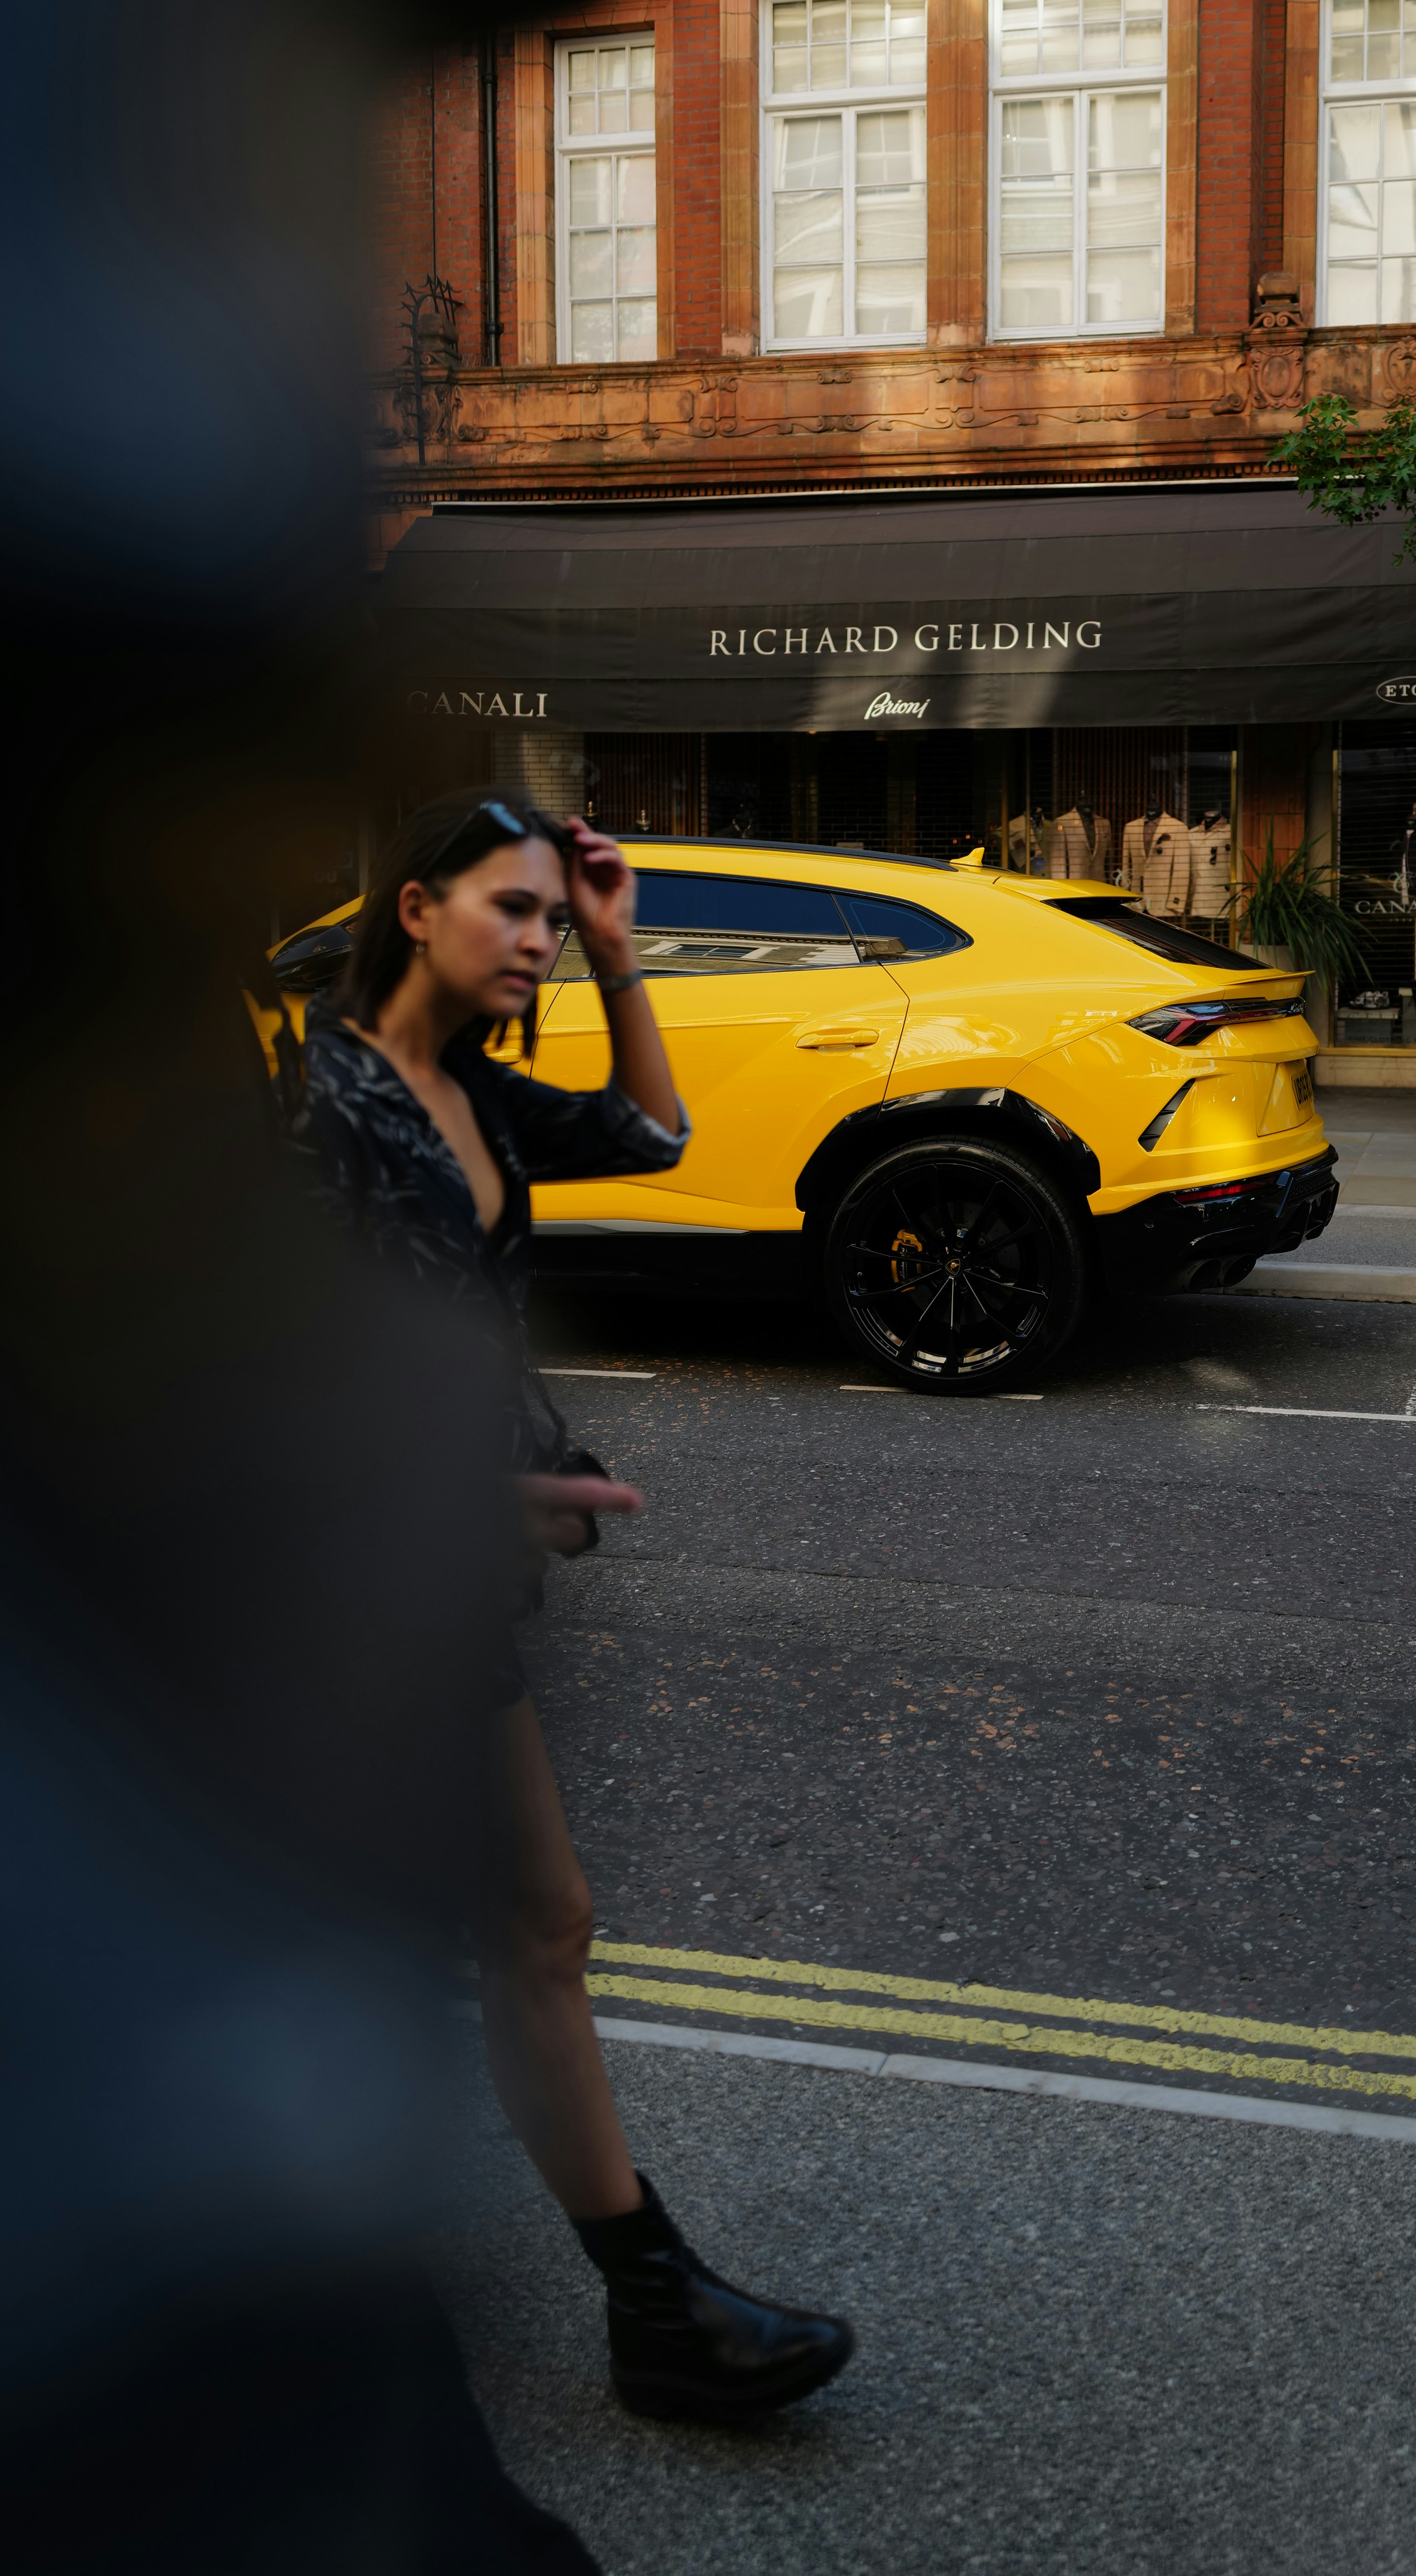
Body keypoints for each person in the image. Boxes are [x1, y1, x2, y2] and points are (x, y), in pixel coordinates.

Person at [294, 787, 854, 2425]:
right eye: (515, 912)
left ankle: (652, 2309)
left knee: (535, 1926)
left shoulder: (469, 1088)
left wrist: (624, 961)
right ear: (414, 908)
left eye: (556, 916)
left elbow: (661, 1138)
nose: (537, 939)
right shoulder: (315, 1103)